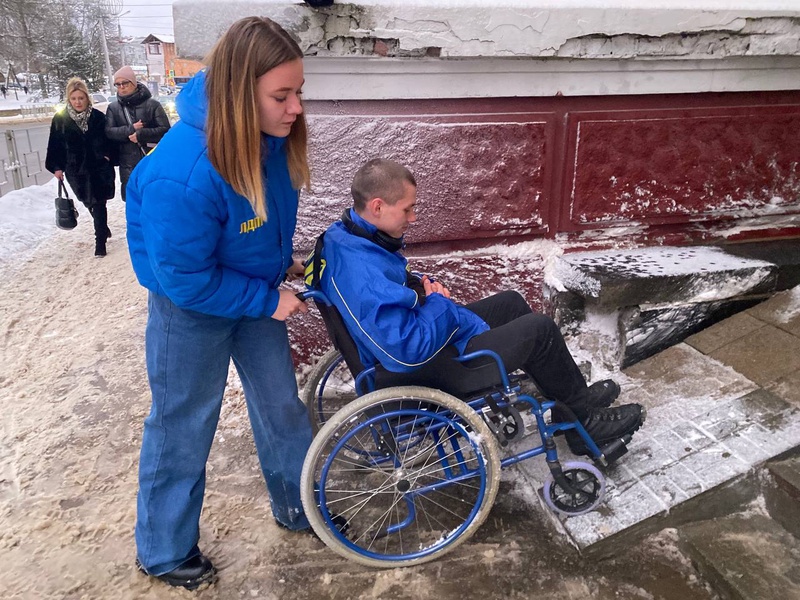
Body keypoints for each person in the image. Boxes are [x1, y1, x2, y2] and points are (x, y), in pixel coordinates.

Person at [126, 16, 313, 590]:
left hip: (254, 298)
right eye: (282, 95)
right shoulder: (181, 175)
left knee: (283, 406)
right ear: (238, 93)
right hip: (191, 313)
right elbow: (183, 279)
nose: (296, 108)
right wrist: (267, 297)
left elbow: (258, 219)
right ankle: (163, 548)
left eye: (299, 91)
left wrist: (280, 266)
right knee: (184, 423)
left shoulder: (269, 139)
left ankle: (298, 504)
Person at [314, 158, 646, 456]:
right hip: (425, 370)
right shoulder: (361, 273)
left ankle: (570, 402)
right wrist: (438, 303)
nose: (413, 218)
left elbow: (389, 292)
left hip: (424, 345)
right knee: (540, 331)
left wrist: (421, 288)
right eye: (407, 209)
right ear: (376, 207)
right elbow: (406, 351)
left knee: (512, 303)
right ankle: (583, 422)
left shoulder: (347, 237)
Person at [45, 77, 115, 256]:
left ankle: (100, 243)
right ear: (69, 99)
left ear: (87, 98)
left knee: (99, 202)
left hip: (98, 167)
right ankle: (102, 227)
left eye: (81, 98)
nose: (78, 102)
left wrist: (107, 156)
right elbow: (55, 145)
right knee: (88, 201)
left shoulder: (98, 117)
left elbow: (110, 139)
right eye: (74, 98)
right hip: (75, 170)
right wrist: (57, 167)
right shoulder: (60, 119)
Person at [105, 66, 170, 201]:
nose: (121, 87)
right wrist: (130, 129)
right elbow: (109, 132)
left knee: (154, 199)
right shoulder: (113, 108)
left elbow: (165, 130)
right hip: (127, 164)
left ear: (133, 83)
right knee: (133, 203)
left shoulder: (152, 105)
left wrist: (141, 134)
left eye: (125, 83)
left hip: (151, 159)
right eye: (118, 84)